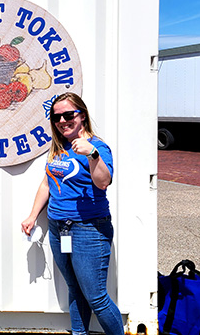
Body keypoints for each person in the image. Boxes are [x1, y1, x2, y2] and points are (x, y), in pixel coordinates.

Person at [21, 92, 124, 335]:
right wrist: (33, 215)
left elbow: (103, 182)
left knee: (96, 297)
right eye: (56, 117)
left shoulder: (97, 147)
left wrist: (92, 154)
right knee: (74, 287)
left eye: (68, 115)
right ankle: (79, 333)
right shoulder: (59, 147)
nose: (62, 121)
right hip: (59, 229)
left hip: (88, 229)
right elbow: (47, 184)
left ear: (83, 116)